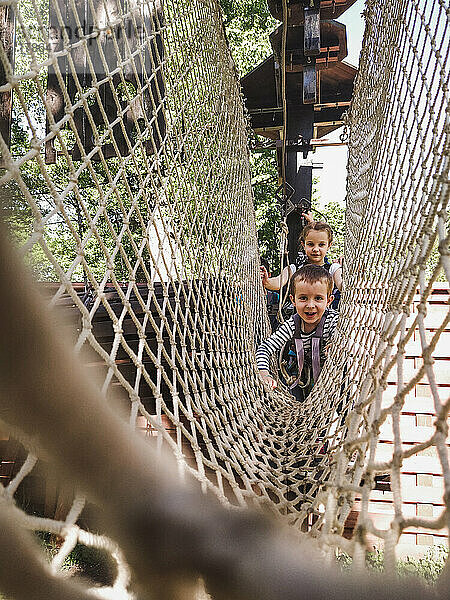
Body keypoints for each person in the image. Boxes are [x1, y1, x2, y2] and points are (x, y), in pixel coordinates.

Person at [256, 265, 338, 402]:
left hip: (327, 376)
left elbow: (342, 337)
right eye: (303, 298)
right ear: (293, 300)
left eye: (318, 298)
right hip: (299, 374)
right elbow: (264, 348)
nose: (310, 305)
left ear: (329, 301)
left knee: (342, 396)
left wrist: (335, 346)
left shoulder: (332, 320)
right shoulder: (293, 324)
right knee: (291, 400)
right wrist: (264, 374)